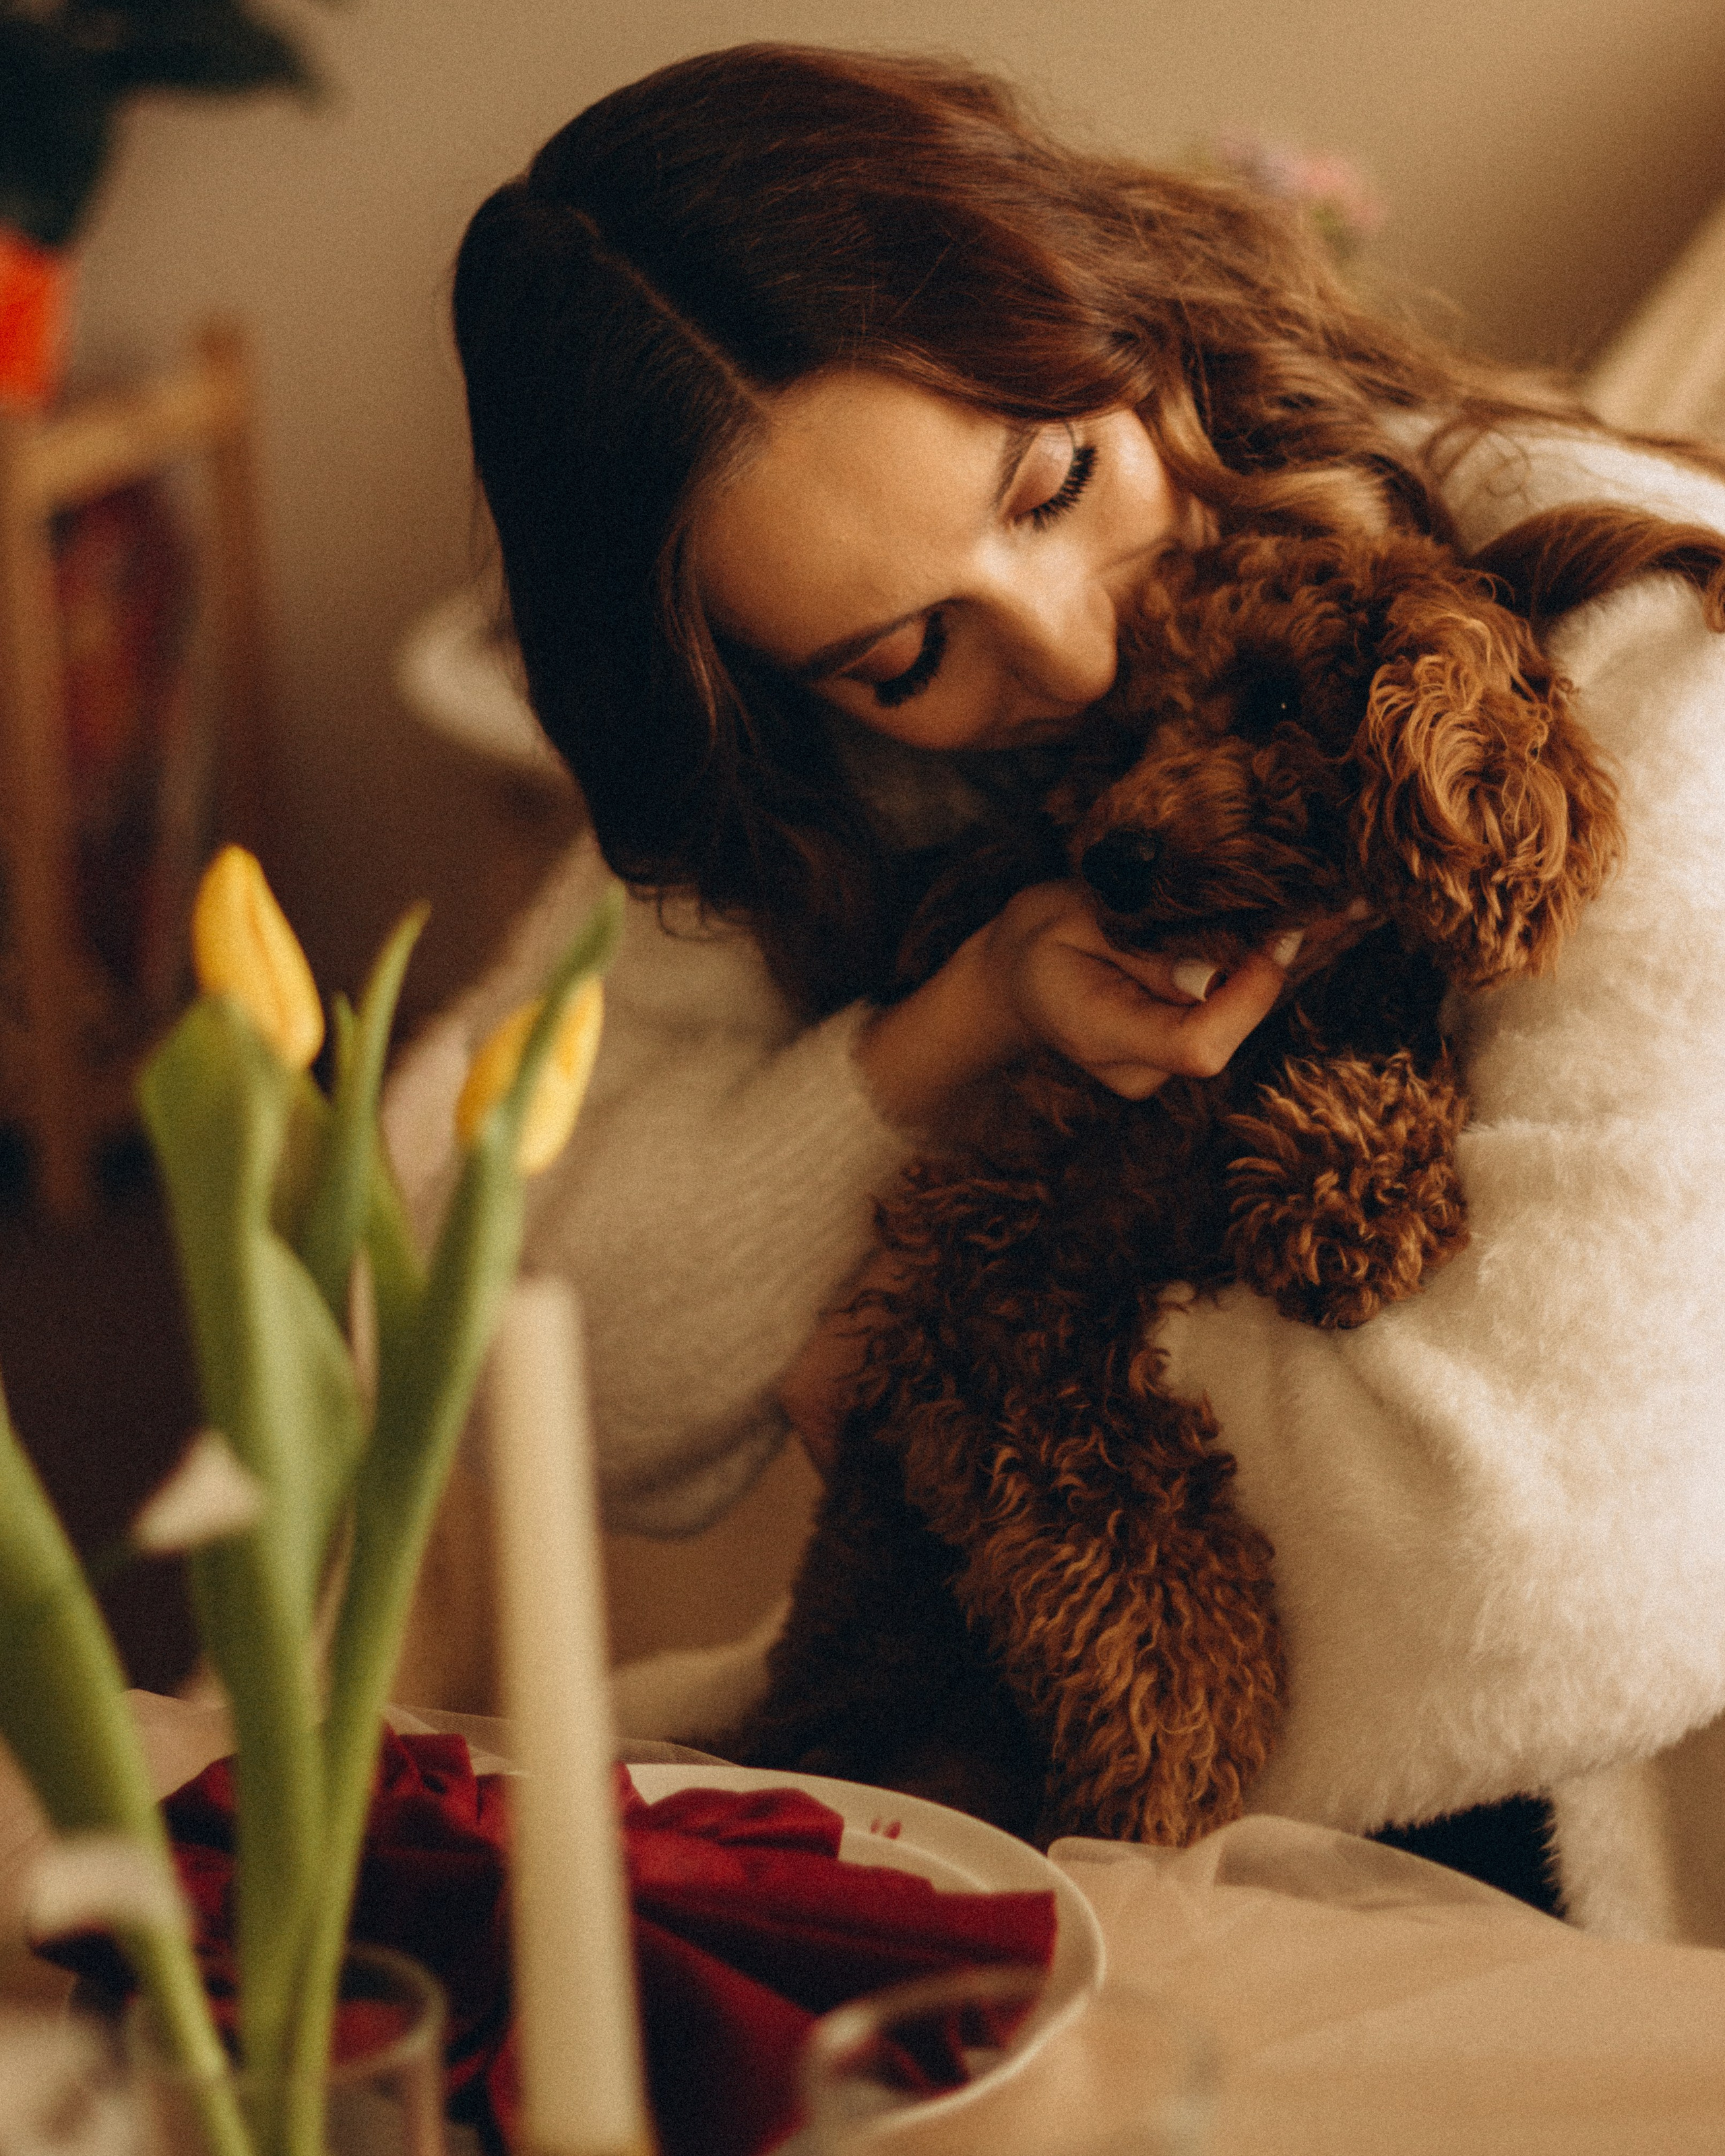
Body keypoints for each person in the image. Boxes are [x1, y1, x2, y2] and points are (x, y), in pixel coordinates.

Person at [383, 42, 1725, 1940]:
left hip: (1497, 1901)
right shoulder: (838, 770)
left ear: (1135, 322)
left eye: (1055, 479)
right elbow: (505, 1328)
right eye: (909, 651)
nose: (1076, 651)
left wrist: (948, 1411)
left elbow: (1543, 1561)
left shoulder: (1629, 646)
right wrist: (951, 1031)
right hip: (973, 1819)